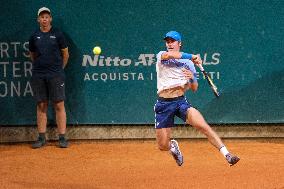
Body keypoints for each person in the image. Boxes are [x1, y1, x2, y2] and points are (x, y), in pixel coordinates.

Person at [154, 31, 240, 166]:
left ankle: (227, 155)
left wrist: (192, 78)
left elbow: (194, 88)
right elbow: (170, 54)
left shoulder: (188, 64)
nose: (170, 44)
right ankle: (172, 147)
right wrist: (192, 56)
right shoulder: (161, 55)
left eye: (173, 41)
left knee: (203, 126)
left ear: (179, 43)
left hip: (180, 102)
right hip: (164, 104)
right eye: (168, 41)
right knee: (162, 145)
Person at [29, 7, 69, 148]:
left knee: (59, 104)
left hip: (56, 74)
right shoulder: (34, 36)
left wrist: (59, 69)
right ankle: (41, 138)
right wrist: (41, 67)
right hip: (39, 74)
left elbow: (65, 54)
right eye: (42, 17)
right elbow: (32, 55)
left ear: (50, 18)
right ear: (38, 19)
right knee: (41, 105)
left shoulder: (58, 34)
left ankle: (62, 137)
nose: (44, 19)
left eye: (47, 17)